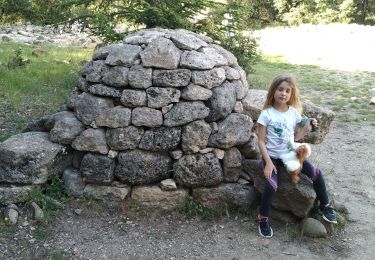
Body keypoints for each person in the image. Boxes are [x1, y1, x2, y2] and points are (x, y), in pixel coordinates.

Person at [256, 74, 337, 238]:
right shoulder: (266, 114)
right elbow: (261, 141)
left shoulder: (293, 113)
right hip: (271, 156)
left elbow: (297, 137)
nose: (283, 93)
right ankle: (263, 218)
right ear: (273, 91)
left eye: (287, 91)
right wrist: (269, 163)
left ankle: (326, 206)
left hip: (289, 153)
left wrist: (309, 125)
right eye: (280, 89)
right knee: (272, 185)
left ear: (291, 94)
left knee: (315, 172)